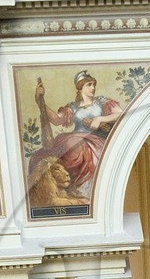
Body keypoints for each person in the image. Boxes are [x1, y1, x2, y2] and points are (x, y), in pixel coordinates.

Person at [33, 71, 123, 200]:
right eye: (89, 85)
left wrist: (100, 119)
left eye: (93, 85)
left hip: (94, 140)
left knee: (76, 146)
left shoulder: (101, 101)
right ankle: (69, 186)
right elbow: (56, 120)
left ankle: (83, 188)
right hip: (75, 137)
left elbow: (119, 113)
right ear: (80, 88)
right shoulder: (73, 107)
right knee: (64, 149)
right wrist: (40, 101)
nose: (93, 87)